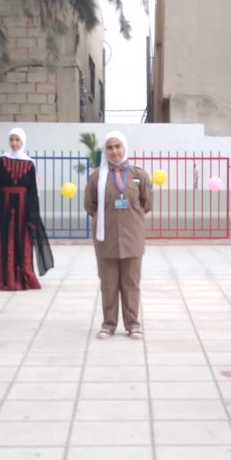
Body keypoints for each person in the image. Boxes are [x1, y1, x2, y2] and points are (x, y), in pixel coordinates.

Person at [84, 131, 153, 339]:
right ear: (106, 151)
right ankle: (109, 324)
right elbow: (90, 205)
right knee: (108, 284)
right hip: (106, 239)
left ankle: (133, 324)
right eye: (110, 147)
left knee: (131, 283)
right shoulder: (97, 176)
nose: (114, 151)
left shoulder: (139, 175)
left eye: (118, 146)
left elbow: (147, 203)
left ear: (124, 148)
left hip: (132, 238)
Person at [0, 127, 54, 290]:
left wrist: (32, 215)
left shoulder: (29, 163)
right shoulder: (1, 161)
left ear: (23, 141)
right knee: (4, 240)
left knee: (23, 241)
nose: (14, 143)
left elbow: (32, 191)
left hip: (23, 208)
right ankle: (4, 278)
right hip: (5, 206)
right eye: (12, 139)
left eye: (17, 140)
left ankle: (23, 277)